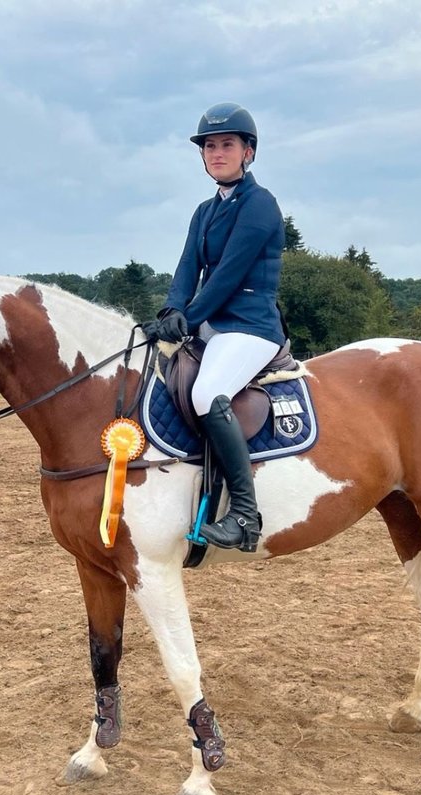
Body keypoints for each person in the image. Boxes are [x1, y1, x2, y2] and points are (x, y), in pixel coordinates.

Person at [144, 102, 286, 552]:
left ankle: (244, 513)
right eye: (209, 146)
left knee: (208, 393)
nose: (216, 152)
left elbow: (228, 273)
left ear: (249, 152)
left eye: (227, 144)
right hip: (214, 325)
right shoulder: (204, 210)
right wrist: (170, 311)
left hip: (251, 326)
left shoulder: (261, 205)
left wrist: (193, 316)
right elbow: (188, 268)